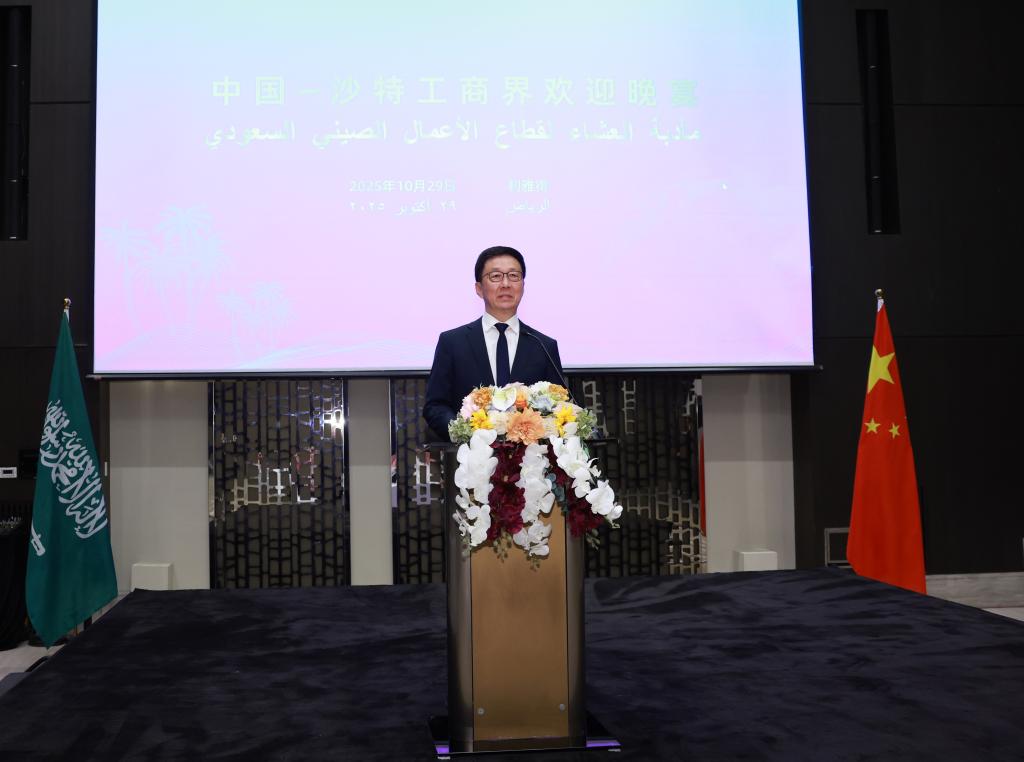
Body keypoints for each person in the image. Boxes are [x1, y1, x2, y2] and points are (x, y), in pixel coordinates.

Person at [423, 245, 565, 441]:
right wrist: (465, 431)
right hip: (470, 455)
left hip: (530, 456)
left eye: (514, 276)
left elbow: (559, 406)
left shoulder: (544, 345)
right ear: (479, 289)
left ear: (523, 286)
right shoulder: (452, 343)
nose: (506, 284)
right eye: (496, 276)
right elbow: (435, 406)